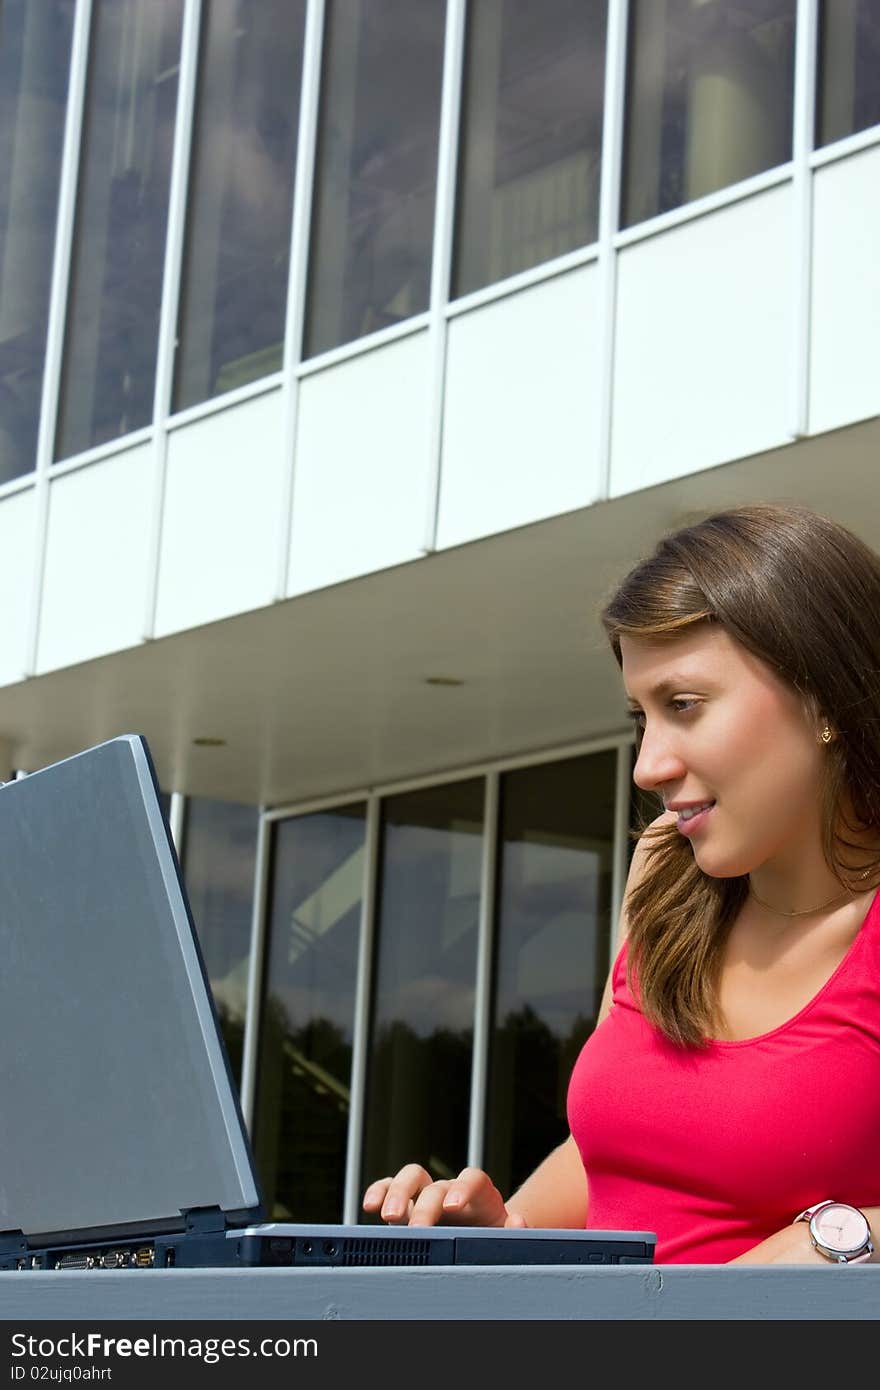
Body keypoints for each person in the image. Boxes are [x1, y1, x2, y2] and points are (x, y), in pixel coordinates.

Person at [362, 501, 880, 1264]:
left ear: (827, 701)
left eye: (684, 706)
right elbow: (615, 1142)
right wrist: (509, 1236)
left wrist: (845, 1239)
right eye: (642, 716)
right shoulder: (667, 872)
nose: (649, 766)